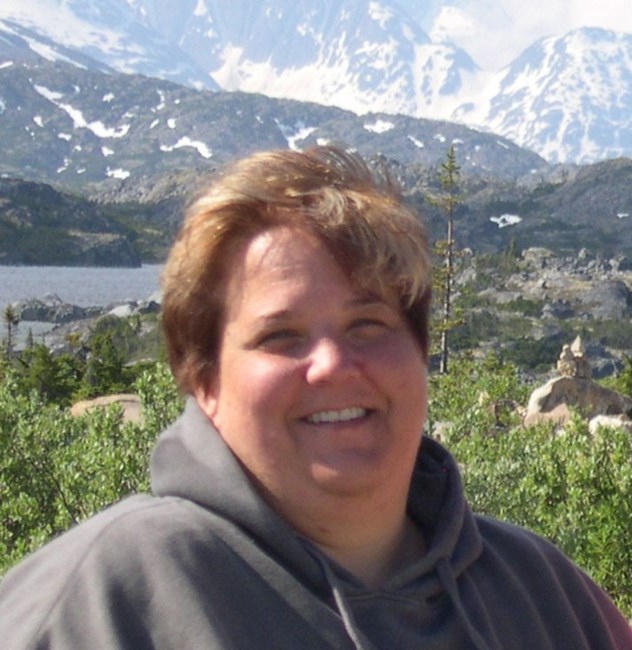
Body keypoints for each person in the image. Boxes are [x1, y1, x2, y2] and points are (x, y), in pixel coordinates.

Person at [0, 146, 630, 649]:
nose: (332, 364)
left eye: (368, 325)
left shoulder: (544, 596)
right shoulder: (100, 606)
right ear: (203, 379)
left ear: (418, 353)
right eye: (280, 336)